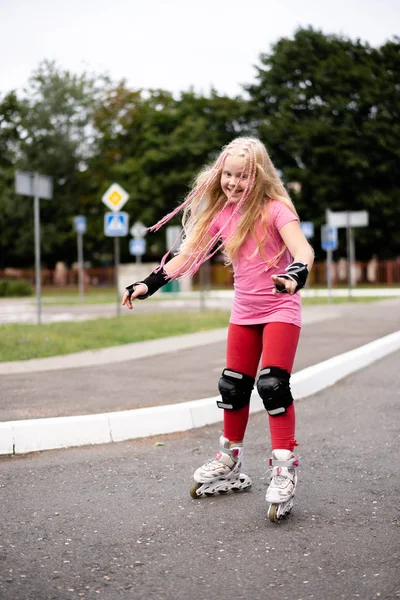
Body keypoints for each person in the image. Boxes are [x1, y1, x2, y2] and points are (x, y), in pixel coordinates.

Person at [122, 137, 314, 522]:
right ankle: (230, 458)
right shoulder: (222, 216)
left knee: (272, 385)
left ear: (257, 176)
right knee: (232, 385)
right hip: (243, 313)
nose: (233, 182)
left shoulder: (275, 210)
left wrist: (294, 274)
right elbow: (187, 255)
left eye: (242, 176)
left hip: (280, 308)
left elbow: (304, 251)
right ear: (218, 174)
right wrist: (148, 284)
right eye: (228, 174)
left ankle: (283, 468)